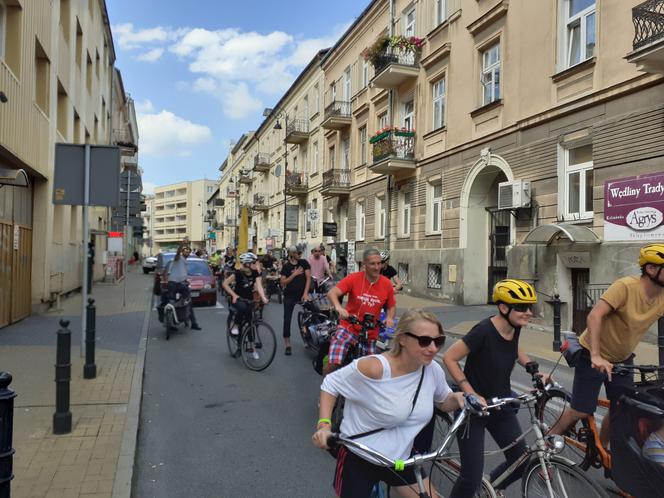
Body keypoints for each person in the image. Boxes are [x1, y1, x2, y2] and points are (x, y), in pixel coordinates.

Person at [312, 309, 465, 498]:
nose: (433, 348)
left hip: (400, 461)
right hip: (360, 459)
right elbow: (331, 383)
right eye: (424, 341)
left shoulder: (432, 369)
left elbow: (443, 401)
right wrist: (324, 425)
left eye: (438, 341)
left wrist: (458, 399)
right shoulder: (375, 368)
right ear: (402, 339)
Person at [550, 243, 664, 446]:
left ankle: (603, 453)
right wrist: (595, 355)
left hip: (623, 359)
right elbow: (594, 316)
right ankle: (548, 444)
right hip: (592, 354)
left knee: (621, 409)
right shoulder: (626, 287)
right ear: (651, 268)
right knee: (581, 409)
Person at [443, 279, 546, 497]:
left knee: (521, 460)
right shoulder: (482, 331)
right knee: (470, 477)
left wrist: (532, 368)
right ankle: (476, 484)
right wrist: (469, 391)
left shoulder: (515, 326)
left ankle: (491, 484)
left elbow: (512, 347)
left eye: (530, 307)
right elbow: (450, 358)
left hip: (501, 405)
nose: (528, 312)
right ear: (503, 307)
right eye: (521, 307)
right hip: (474, 411)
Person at [324, 248, 396, 375]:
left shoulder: (387, 284)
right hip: (349, 327)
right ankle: (328, 388)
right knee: (334, 362)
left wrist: (389, 318)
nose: (377, 267)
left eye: (379, 263)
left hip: (370, 333)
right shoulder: (354, 278)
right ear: (364, 265)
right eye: (372, 264)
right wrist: (339, 307)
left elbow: (391, 306)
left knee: (369, 374)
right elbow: (332, 293)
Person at [222, 252, 269, 359]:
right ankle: (236, 328)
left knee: (250, 323)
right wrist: (233, 295)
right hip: (238, 299)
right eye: (253, 262)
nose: (256, 264)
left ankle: (253, 348)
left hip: (249, 299)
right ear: (247, 264)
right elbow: (224, 284)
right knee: (242, 308)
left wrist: (263, 297)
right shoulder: (237, 273)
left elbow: (259, 286)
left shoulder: (255, 273)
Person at [280, 246, 311, 356]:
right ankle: (288, 344)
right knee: (287, 319)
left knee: (311, 315)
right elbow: (283, 282)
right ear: (291, 254)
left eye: (299, 252)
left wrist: (306, 293)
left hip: (302, 295)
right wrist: (294, 274)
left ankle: (310, 338)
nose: (299, 254)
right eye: (296, 252)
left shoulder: (304, 263)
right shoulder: (286, 266)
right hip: (289, 296)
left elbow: (308, 278)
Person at [165, 245, 201, 330]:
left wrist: (186, 280)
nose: (187, 253)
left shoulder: (184, 261)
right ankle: (170, 323)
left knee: (188, 302)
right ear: (181, 252)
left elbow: (182, 273)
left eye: (188, 251)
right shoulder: (178, 257)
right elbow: (178, 253)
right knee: (172, 302)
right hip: (173, 283)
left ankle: (193, 324)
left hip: (181, 284)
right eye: (185, 251)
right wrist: (182, 244)